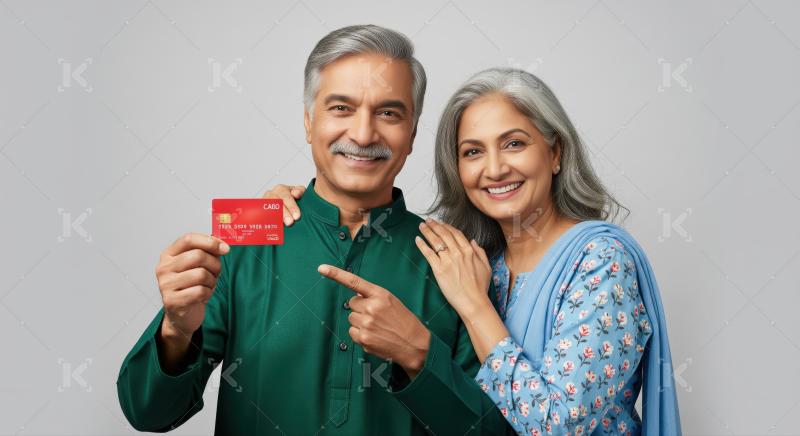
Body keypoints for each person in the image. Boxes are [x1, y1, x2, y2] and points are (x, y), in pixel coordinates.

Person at [117, 25, 511, 435]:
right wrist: (176, 330)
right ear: (308, 122)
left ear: (412, 134)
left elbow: (491, 432)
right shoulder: (248, 235)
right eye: (341, 108)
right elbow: (148, 413)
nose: (362, 134)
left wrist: (418, 355)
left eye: (388, 113)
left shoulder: (452, 261)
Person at [264, 68, 682, 435]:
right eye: (473, 152)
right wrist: (298, 209)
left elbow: (555, 426)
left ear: (555, 153)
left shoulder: (600, 260)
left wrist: (474, 306)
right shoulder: (475, 260)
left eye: (514, 144)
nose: (495, 169)